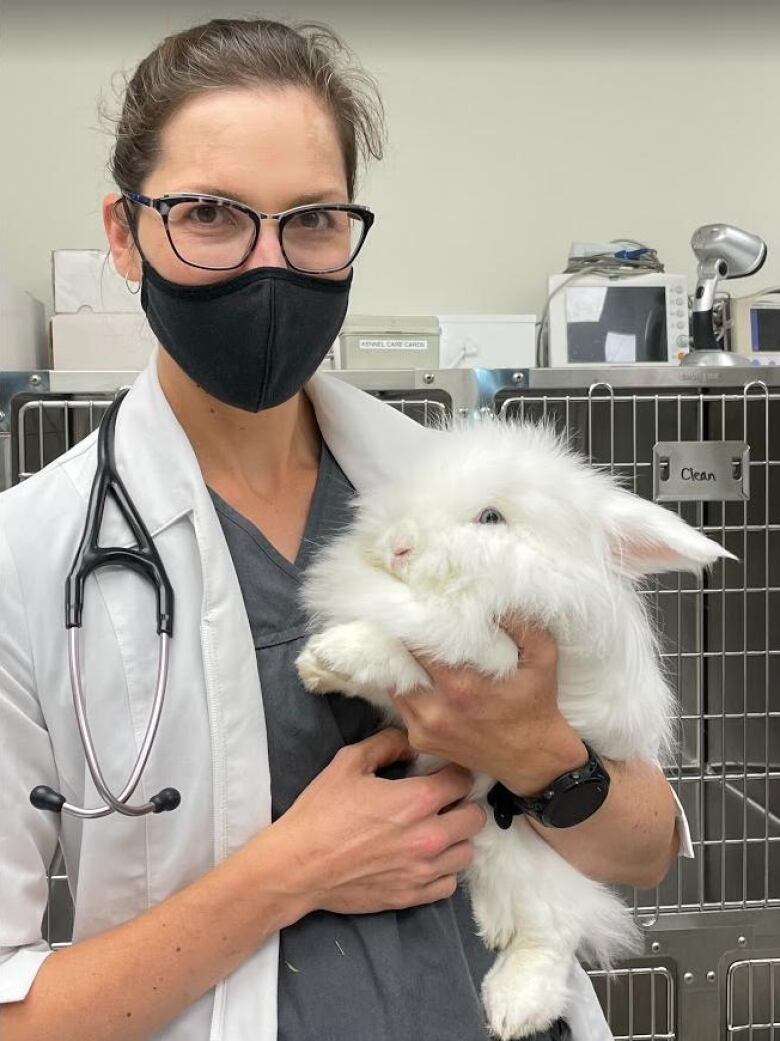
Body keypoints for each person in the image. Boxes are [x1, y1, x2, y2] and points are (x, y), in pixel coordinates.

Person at [0, 17, 692, 1041]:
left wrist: (547, 755)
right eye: (209, 214)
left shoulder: (453, 490)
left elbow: (647, 850)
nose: (268, 267)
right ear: (123, 232)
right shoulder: (27, 558)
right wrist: (289, 874)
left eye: (313, 221)